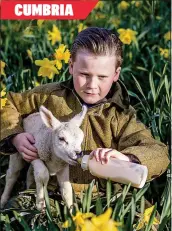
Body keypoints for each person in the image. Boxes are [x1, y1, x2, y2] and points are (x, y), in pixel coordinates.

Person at [0, 27, 169, 208]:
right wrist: (15, 136)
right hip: (50, 192)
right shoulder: (48, 96)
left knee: (148, 225)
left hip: (106, 197)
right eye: (84, 75)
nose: (91, 85)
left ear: (116, 74)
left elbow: (158, 152)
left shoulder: (121, 115)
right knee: (15, 218)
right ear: (71, 66)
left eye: (102, 77)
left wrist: (127, 158)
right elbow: (6, 103)